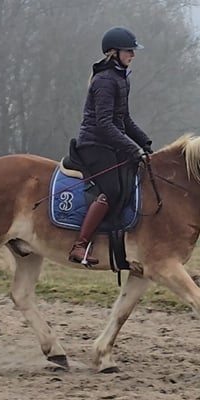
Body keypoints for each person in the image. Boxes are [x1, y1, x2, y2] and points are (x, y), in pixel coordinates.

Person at [68, 26, 153, 265]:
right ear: (113, 52)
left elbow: (124, 118)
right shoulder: (105, 80)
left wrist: (144, 142)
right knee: (113, 190)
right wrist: (131, 148)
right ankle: (80, 245)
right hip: (94, 144)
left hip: (111, 144)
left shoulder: (120, 79)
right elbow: (105, 124)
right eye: (129, 51)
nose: (132, 55)